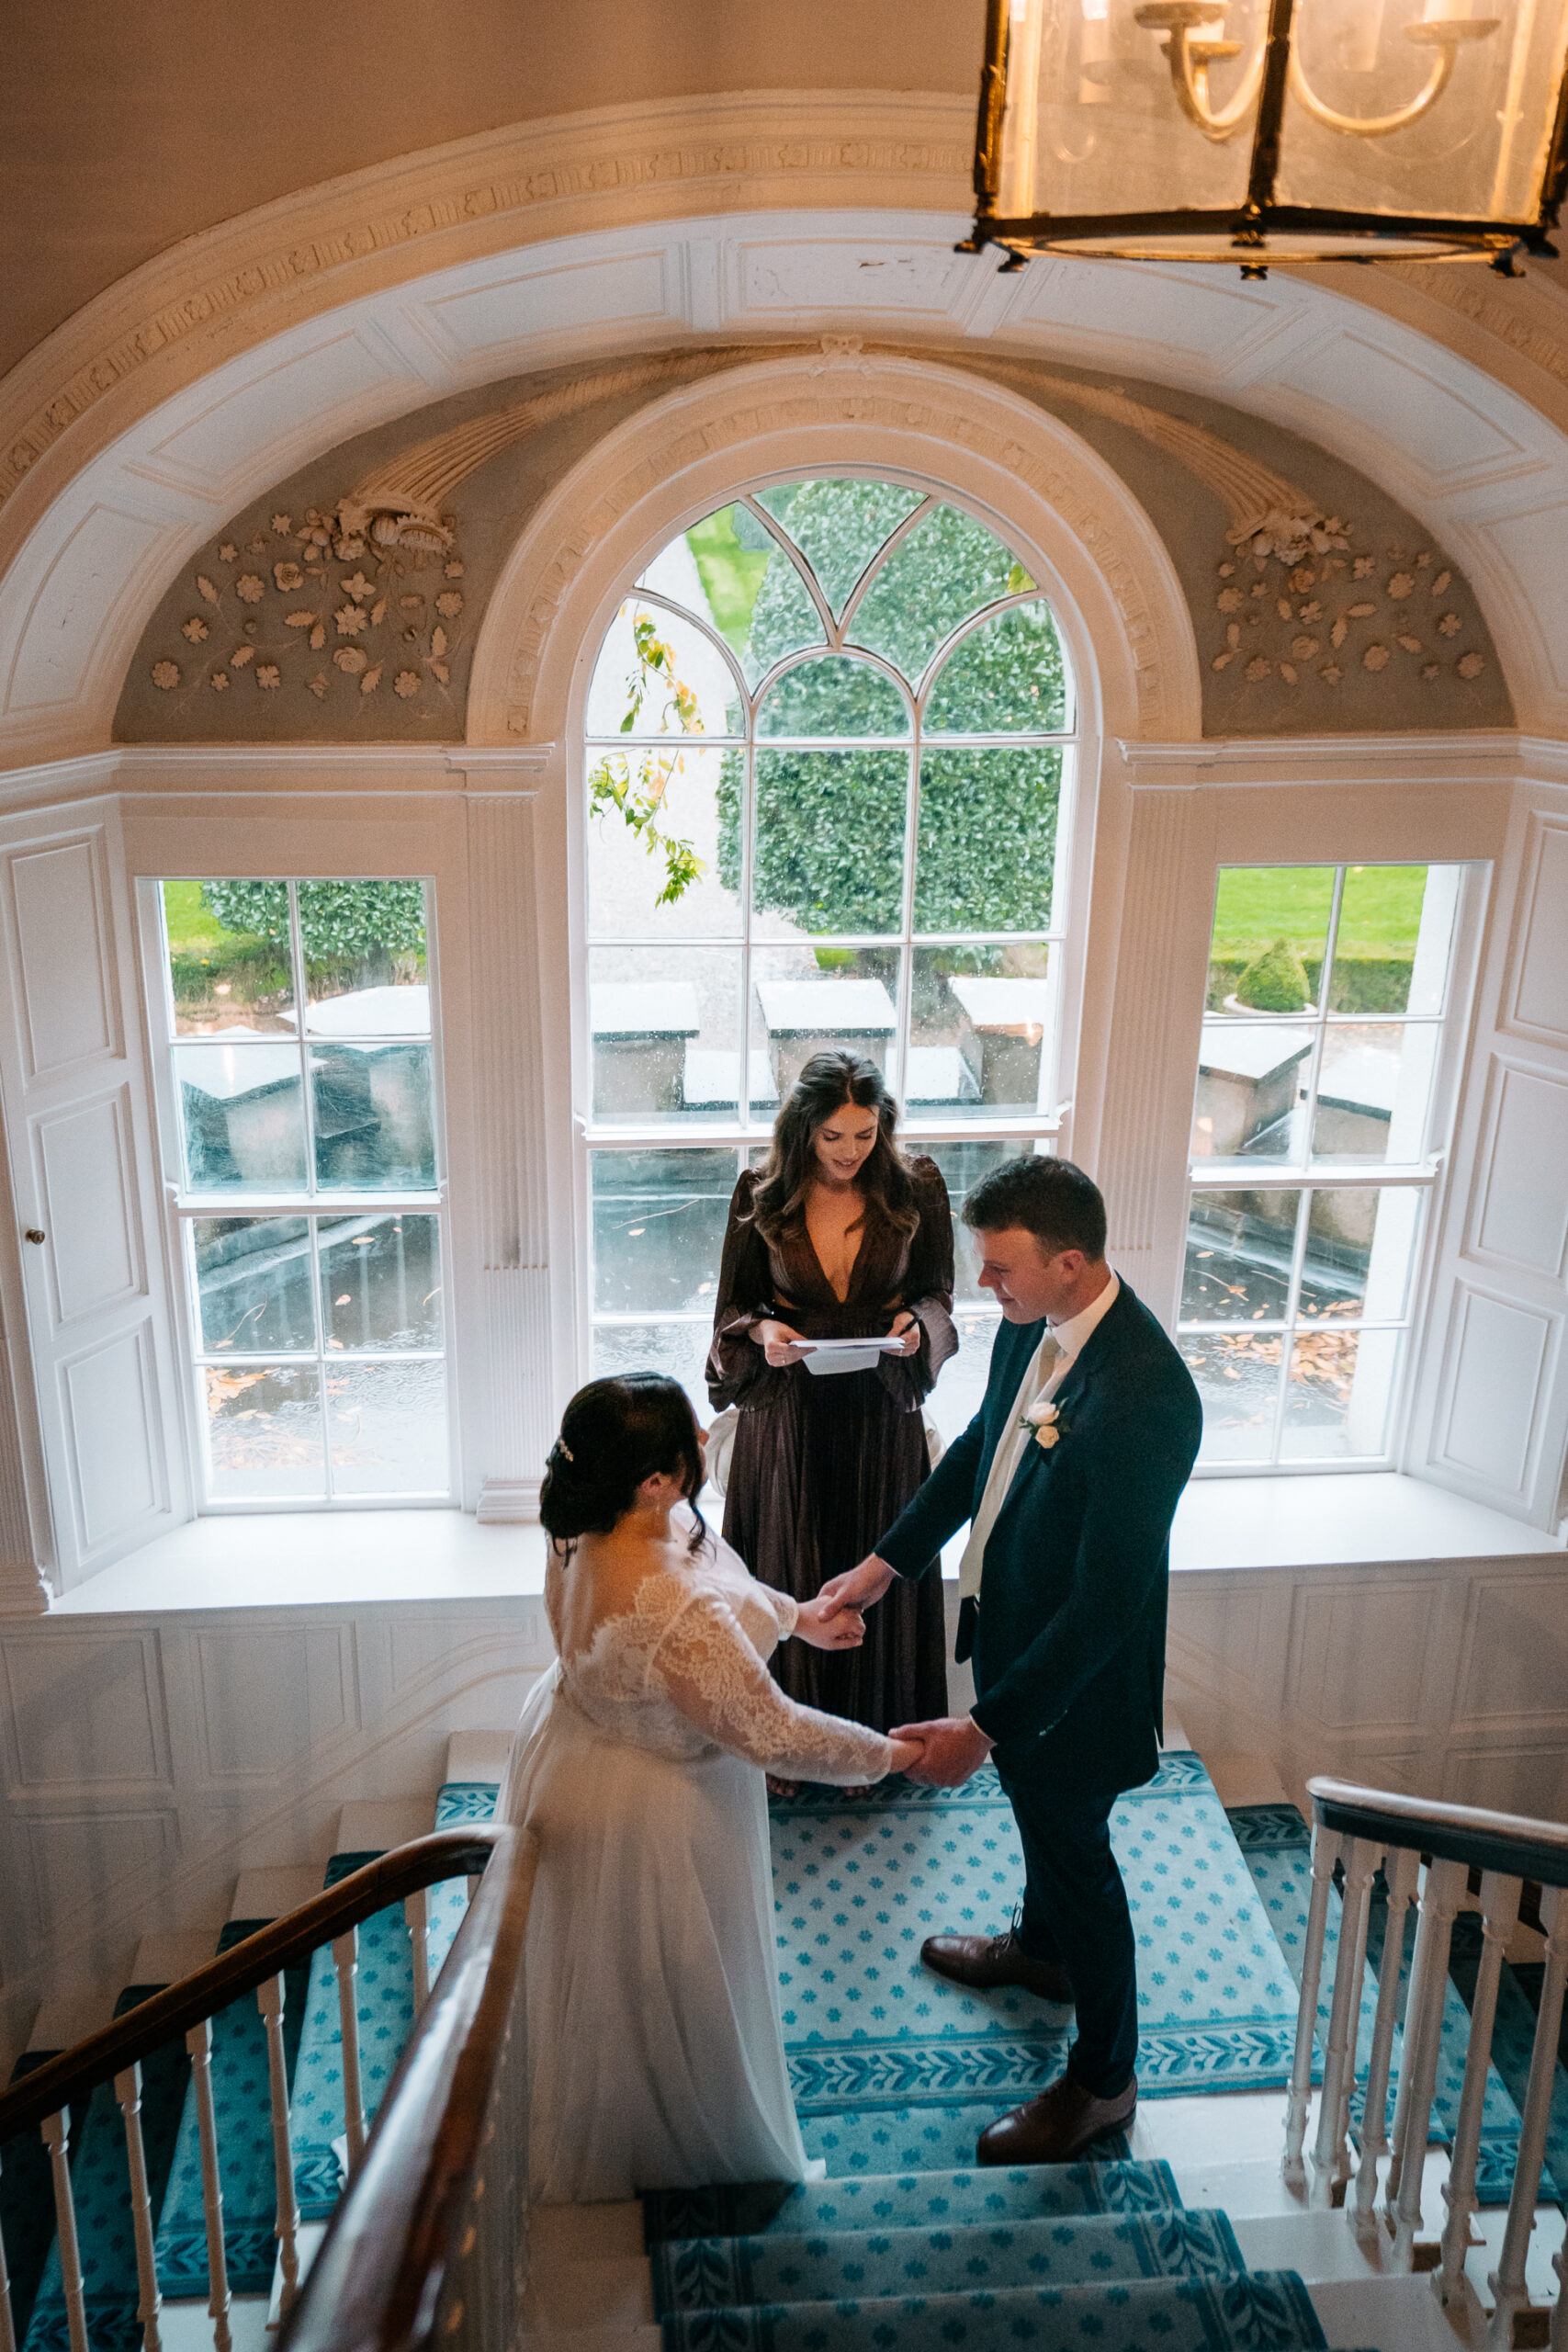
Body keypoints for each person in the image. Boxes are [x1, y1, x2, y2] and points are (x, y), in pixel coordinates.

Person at [818, 1155, 1201, 2168]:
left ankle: (1106, 2080)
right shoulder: (1030, 1326)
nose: (986, 1287)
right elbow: (982, 1449)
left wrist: (982, 1731)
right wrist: (881, 1564)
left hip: (1077, 1683)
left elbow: (1105, 1604)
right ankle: (1039, 1952)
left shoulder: (1150, 1395)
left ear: (1070, 1262)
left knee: (1080, 1860)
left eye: (1000, 1268)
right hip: (1010, 1635)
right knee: (1041, 1827)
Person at [501, 1373, 921, 2204]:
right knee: (658, 1982)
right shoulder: (670, 1609)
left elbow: (708, 1566)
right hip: (652, 1808)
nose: (704, 1443)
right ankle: (663, 2140)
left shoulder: (584, 1515)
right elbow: (777, 1734)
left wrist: (797, 1614)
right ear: (653, 1479)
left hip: (568, 1744)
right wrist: (896, 1755)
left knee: (596, 1975)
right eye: (690, 1439)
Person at [706, 1051, 955, 1752]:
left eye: (864, 1134)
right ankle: (786, 1747)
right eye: (832, 1137)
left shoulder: (916, 1187)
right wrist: (763, 1331)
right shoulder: (759, 1191)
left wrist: (915, 1326)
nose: (849, 1153)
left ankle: (885, 1739)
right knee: (789, 1567)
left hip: (881, 1409)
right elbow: (733, 1304)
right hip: (788, 1411)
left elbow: (939, 1293)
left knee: (881, 1561)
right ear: (803, 1130)